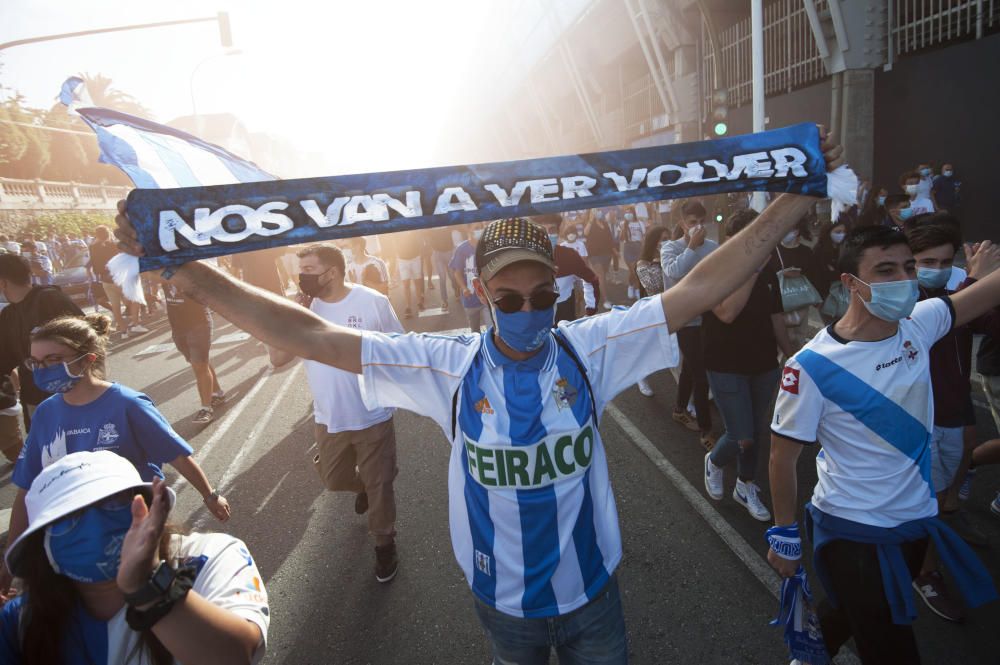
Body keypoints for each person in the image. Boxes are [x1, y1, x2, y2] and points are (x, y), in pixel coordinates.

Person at [114, 130, 843, 661]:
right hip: (504, 609)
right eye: (511, 296)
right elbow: (314, 337)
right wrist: (197, 275)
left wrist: (791, 203)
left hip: (595, 599)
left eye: (543, 295)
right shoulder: (447, 365)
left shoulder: (591, 348)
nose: (531, 307)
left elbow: (699, 288)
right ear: (482, 294)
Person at [767, 225, 1000, 664]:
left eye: (908, 268)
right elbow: (782, 456)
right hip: (852, 530)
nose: (904, 280)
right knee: (891, 646)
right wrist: (784, 536)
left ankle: (812, 653)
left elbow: (988, 293)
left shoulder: (920, 324)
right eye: (886, 270)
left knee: (854, 612)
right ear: (851, 284)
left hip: (914, 520)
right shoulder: (811, 366)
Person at [1, 313, 231, 592]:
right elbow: (27, 486)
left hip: (133, 529)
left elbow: (176, 454)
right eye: (35, 362)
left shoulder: (127, 404)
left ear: (88, 359)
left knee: (144, 604)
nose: (41, 369)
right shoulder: (46, 413)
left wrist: (210, 495)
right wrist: (10, 560)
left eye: (53, 359)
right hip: (73, 539)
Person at [0, 450, 268, 664]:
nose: (94, 525)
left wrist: (150, 589)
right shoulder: (21, 620)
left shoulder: (210, 556)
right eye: (68, 517)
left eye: (111, 502)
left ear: (149, 505)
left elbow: (236, 656)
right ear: (42, 544)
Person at [281, 244, 405, 582]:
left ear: (331, 272)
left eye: (307, 270)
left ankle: (384, 544)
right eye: (300, 269)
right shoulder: (302, 309)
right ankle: (364, 485)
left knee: (380, 484)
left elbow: (399, 346)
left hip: (372, 414)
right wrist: (288, 315)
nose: (301, 277)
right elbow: (277, 360)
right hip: (329, 417)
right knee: (333, 479)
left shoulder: (371, 302)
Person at [703, 210, 794, 521]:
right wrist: (753, 269)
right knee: (741, 435)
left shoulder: (769, 270)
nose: (764, 243)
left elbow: (776, 317)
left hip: (764, 364)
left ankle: (746, 484)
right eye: (757, 237)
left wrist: (792, 356)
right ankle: (714, 461)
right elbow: (726, 312)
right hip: (725, 364)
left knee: (756, 430)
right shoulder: (716, 268)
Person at [0, 253, 83, 432]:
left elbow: (88, 336)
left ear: (3, 282)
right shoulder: (8, 315)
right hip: (36, 398)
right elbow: (4, 360)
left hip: (72, 393)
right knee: (48, 452)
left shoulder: (49, 298)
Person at [660, 199, 715, 447]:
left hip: (710, 317)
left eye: (702, 222)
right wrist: (691, 246)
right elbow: (674, 273)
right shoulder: (670, 248)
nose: (698, 227)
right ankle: (706, 429)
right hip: (685, 319)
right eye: (693, 222)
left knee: (693, 369)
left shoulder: (713, 247)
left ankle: (680, 408)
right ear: (683, 224)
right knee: (701, 375)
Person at [158, 276, 226, 424]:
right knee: (200, 363)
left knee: (199, 365)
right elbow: (147, 273)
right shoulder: (162, 270)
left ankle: (206, 409)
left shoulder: (190, 268)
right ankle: (217, 393)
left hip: (199, 323)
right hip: (178, 326)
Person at [767, 218, 820, 351]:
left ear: (797, 231)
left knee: (799, 340)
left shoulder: (806, 251)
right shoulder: (773, 250)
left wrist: (800, 275)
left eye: (790, 229)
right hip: (780, 302)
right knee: (780, 340)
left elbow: (813, 274)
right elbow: (767, 275)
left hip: (801, 301)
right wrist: (781, 273)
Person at [537, 215, 600, 325]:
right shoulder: (526, 258)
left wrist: (590, 309)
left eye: (552, 230)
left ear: (558, 232)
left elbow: (591, 280)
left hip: (565, 311)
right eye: (542, 230)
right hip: (538, 313)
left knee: (565, 341)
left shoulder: (569, 255)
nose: (547, 234)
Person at [89, 225, 149, 339]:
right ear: (109, 233)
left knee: (116, 307)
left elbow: (95, 267)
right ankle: (136, 324)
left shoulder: (93, 247)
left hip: (105, 280)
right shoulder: (114, 245)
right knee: (135, 299)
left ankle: (124, 331)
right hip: (119, 278)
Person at [633, 225, 670, 396]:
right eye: (663, 239)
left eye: (668, 238)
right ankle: (642, 377)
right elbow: (654, 287)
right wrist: (664, 263)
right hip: (653, 309)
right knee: (648, 348)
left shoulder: (671, 256)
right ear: (654, 242)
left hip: (672, 305)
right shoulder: (643, 264)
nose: (666, 242)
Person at [450, 223, 487, 332]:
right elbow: (457, 272)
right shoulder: (461, 249)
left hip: (487, 298)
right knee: (475, 331)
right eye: (476, 228)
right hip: (470, 298)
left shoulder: (487, 246)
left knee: (492, 330)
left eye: (481, 227)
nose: (479, 230)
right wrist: (464, 288)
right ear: (468, 230)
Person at [584, 210, 617, 310]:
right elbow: (585, 233)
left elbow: (609, 238)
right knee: (601, 275)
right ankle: (605, 299)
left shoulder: (604, 223)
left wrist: (614, 250)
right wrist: (590, 220)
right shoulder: (589, 224)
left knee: (602, 276)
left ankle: (596, 291)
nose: (597, 212)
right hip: (594, 254)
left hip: (606, 254)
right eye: (594, 211)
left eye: (598, 210)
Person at [394, 230, 425, 318]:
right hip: (402, 259)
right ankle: (408, 307)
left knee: (417, 282)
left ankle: (419, 302)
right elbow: (393, 242)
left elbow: (419, 238)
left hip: (415, 257)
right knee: (406, 284)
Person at [619, 208, 646, 301]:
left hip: (638, 247)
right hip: (628, 247)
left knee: (635, 270)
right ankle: (637, 289)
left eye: (629, 212)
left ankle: (631, 286)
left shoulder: (640, 223)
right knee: (633, 270)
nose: (628, 214)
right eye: (626, 212)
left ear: (634, 213)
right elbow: (621, 239)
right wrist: (623, 229)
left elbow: (643, 237)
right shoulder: (623, 224)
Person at [429, 227, 456, 310]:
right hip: (437, 253)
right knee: (442, 277)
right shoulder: (432, 223)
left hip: (449, 251)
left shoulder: (446, 219)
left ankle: (456, 288)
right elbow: (427, 233)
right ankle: (444, 301)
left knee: (452, 275)